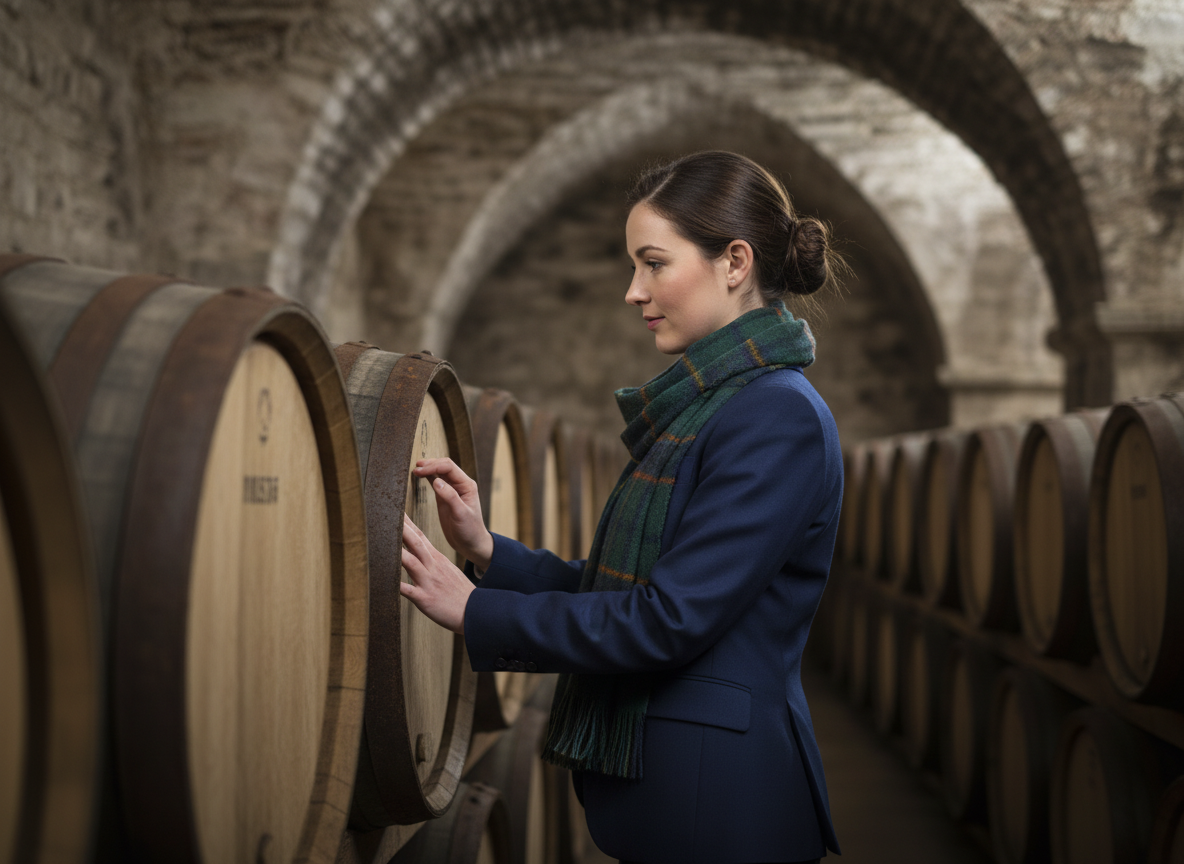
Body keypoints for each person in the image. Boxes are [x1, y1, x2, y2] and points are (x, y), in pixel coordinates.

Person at [399, 150, 844, 864]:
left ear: (735, 262)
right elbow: (632, 590)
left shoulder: (774, 417)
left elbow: (668, 621)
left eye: (654, 263)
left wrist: (478, 612)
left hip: (720, 812)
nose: (633, 291)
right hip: (690, 799)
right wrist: (489, 552)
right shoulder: (712, 406)